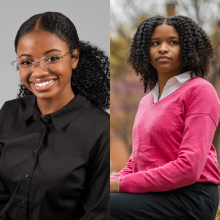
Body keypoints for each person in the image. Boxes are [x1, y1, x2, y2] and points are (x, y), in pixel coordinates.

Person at [0, 12, 110, 220]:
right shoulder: (8, 113)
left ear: (74, 58)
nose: (38, 72)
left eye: (51, 58)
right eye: (26, 62)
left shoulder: (101, 131)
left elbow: (97, 215)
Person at [110, 15, 220, 220]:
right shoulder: (147, 101)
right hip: (153, 194)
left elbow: (189, 167)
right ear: (145, 51)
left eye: (173, 42)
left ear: (187, 48)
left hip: (192, 196)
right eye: (155, 43)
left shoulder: (200, 90)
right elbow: (134, 165)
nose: (162, 48)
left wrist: (117, 185)